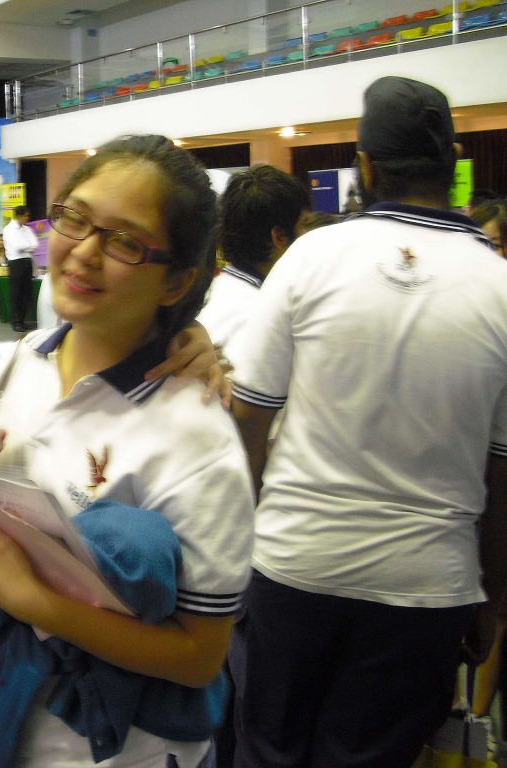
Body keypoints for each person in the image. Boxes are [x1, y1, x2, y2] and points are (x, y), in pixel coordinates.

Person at [0, 134, 254, 768]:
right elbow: (23, 536)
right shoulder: (21, 363)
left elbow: (199, 657)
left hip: (124, 750)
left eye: (125, 241)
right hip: (15, 715)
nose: (83, 251)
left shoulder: (196, 437)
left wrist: (30, 603)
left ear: (177, 279)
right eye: (74, 218)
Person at [227, 76, 507, 768]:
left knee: (267, 750)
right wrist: (492, 599)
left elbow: (247, 422)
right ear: (455, 162)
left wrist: (235, 549)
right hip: (426, 583)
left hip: (295, 566)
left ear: (367, 163)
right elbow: (502, 475)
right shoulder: (500, 286)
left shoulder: (310, 259)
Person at [197, 164, 309, 354]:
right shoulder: (262, 315)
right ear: (279, 237)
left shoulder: (209, 292)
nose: (311, 235)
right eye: (305, 224)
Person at [2, 205, 39, 332]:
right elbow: (18, 246)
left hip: (27, 262)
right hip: (16, 263)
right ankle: (16, 322)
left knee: (26, 293)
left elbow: (36, 244)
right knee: (16, 293)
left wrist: (27, 246)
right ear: (18, 215)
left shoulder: (27, 229)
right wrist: (29, 246)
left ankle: (22, 321)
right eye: (26, 216)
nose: (28, 218)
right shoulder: (8, 229)